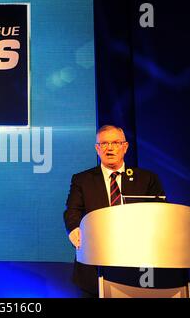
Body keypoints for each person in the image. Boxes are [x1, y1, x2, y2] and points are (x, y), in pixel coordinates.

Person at [63, 125, 166, 297]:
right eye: (104, 144)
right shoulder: (82, 179)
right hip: (94, 266)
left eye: (115, 143)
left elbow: (161, 213)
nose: (109, 148)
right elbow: (72, 210)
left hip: (138, 266)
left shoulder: (147, 178)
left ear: (125, 147)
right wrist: (74, 228)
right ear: (97, 148)